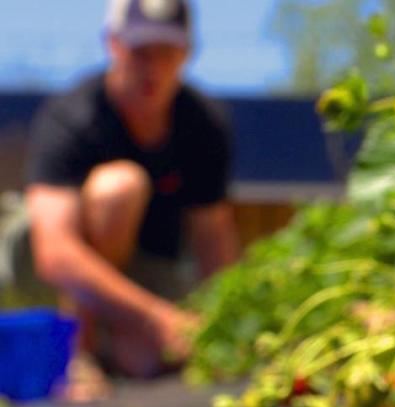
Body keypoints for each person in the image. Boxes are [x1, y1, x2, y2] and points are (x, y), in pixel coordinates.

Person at [23, 0, 239, 381]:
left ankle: (114, 350)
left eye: (167, 52)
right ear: (113, 45)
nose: (153, 68)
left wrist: (226, 331)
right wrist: (156, 318)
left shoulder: (202, 126)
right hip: (58, 282)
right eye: (141, 52)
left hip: (146, 275)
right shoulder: (72, 119)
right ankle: (78, 354)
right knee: (118, 188)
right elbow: (54, 252)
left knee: (145, 365)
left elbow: (213, 243)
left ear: (187, 53)